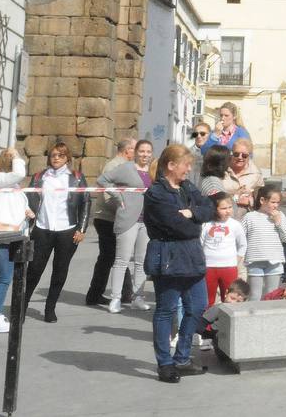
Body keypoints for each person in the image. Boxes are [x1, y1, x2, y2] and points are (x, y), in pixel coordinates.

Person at [143, 142, 216, 383]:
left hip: (192, 257)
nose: (189, 170)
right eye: (186, 165)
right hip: (169, 257)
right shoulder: (156, 193)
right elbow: (178, 227)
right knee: (166, 310)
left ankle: (182, 357)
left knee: (198, 306)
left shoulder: (186, 187)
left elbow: (209, 208)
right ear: (171, 165)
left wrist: (192, 213)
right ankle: (165, 363)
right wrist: (194, 223)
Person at [23, 142, 90, 324]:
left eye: (61, 155)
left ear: (67, 158)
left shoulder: (77, 178)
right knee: (34, 270)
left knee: (60, 271)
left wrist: (82, 228)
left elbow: (86, 202)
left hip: (67, 229)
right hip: (42, 228)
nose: (56, 158)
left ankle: (50, 308)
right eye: (53, 155)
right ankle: (22, 305)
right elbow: (29, 199)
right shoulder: (39, 177)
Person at [101, 139, 156, 313]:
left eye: (148, 152)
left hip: (147, 221)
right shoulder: (126, 168)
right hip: (128, 219)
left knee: (141, 262)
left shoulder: (154, 170)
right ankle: (116, 298)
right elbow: (103, 180)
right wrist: (119, 197)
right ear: (135, 152)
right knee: (121, 260)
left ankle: (138, 297)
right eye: (142, 151)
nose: (145, 155)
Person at [0, 147, 31, 334]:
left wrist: (26, 211)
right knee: (4, 277)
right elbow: (19, 173)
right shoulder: (0, 178)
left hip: (8, 234)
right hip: (0, 234)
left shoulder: (9, 184)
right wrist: (16, 156)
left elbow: (16, 203)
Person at [87, 137, 137, 308]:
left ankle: (122, 293)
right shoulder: (115, 166)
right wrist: (125, 208)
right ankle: (96, 295)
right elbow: (109, 194)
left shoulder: (123, 165)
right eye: (135, 149)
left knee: (115, 256)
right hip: (108, 218)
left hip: (112, 218)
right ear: (127, 150)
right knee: (110, 257)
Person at [242, 184, 286, 300]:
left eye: (277, 203)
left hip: (274, 261)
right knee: (254, 295)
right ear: (262, 200)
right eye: (273, 202)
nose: (276, 205)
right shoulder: (250, 217)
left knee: (271, 295)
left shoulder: (280, 215)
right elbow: (241, 238)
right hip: (254, 261)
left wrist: (278, 222)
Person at [201, 196, 246, 307]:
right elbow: (200, 244)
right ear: (214, 209)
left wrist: (236, 261)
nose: (228, 211)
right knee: (208, 300)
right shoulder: (206, 224)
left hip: (229, 267)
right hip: (209, 267)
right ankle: (207, 318)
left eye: (230, 207)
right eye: (223, 208)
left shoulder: (235, 224)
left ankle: (225, 318)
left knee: (230, 300)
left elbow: (243, 245)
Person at [222, 138, 263, 211]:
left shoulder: (256, 174)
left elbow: (261, 199)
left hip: (246, 214)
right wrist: (236, 199)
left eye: (244, 155)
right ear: (232, 153)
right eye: (236, 154)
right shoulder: (222, 169)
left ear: (249, 156)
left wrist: (250, 201)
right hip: (223, 213)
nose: (240, 157)